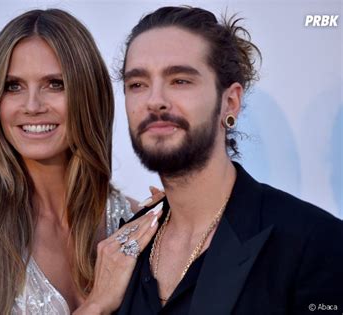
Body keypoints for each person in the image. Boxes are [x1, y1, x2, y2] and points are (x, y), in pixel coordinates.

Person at [0, 9, 163, 314]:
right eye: (13, 86)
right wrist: (96, 305)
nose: (32, 106)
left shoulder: (132, 221)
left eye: (55, 84)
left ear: (88, 94)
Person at [114, 5, 343, 314]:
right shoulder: (123, 246)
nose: (154, 100)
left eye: (180, 80)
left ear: (230, 102)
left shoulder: (314, 243)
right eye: (137, 84)